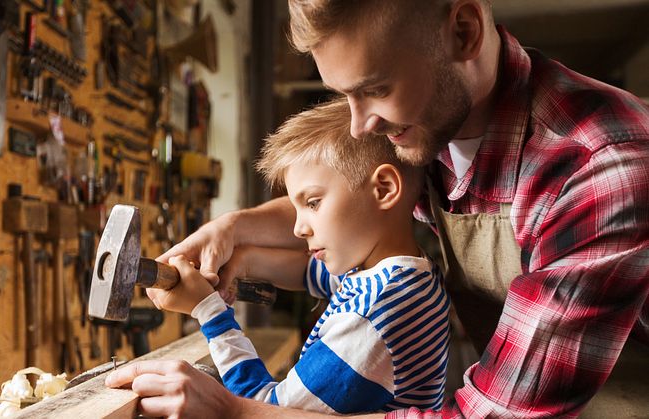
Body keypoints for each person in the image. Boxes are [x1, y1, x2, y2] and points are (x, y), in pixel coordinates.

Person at [106, 0, 649, 417]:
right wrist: (234, 232)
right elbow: (354, 207)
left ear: (463, 31)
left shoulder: (595, 170)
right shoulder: (431, 127)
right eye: (344, 95)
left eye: (375, 89)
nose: (359, 125)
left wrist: (232, 409)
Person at [133, 98, 451, 414]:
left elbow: (263, 407)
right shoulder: (399, 274)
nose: (298, 228)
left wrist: (209, 312)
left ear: (383, 189)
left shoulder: (375, 317)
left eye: (312, 202)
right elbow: (307, 271)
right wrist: (244, 260)